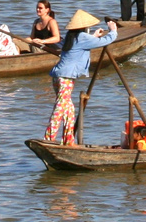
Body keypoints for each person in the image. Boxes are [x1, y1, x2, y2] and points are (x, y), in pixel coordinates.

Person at [44, 11, 118, 145]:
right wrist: (113, 30)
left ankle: (68, 140)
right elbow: (106, 40)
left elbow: (83, 43)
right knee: (60, 107)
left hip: (58, 76)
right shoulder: (82, 37)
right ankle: (49, 138)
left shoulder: (71, 36)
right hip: (65, 77)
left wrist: (94, 36)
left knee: (69, 110)